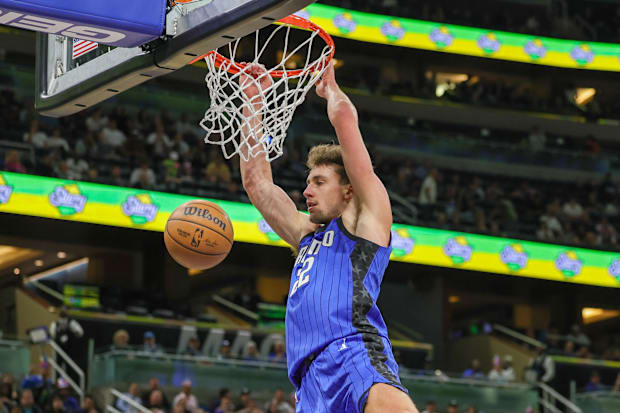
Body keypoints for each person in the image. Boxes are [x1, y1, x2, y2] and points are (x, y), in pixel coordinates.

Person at [239, 61, 416, 413]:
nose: (307, 191)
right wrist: (252, 104)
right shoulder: (306, 236)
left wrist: (331, 91)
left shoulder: (364, 221)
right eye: (307, 182)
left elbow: (350, 134)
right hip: (309, 382)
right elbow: (256, 184)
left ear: (348, 191)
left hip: (351, 351)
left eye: (319, 182)